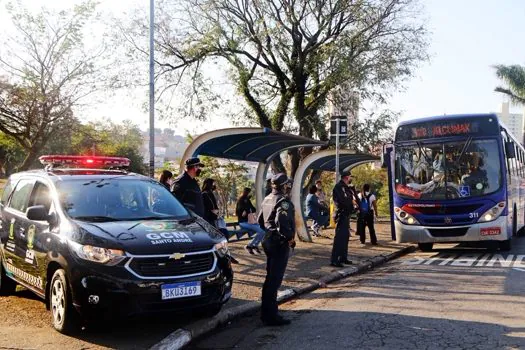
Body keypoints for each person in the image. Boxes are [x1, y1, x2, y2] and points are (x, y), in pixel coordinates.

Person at [258, 173, 296, 326]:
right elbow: (282, 223)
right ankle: (271, 316)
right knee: (275, 280)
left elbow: (261, 220)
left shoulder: (267, 198)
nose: (289, 186)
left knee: (270, 278)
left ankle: (266, 312)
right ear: (284, 185)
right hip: (278, 243)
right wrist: (289, 238)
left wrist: (270, 230)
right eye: (287, 184)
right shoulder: (283, 201)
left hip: (268, 240)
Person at [202, 178, 240, 264]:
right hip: (209, 220)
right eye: (213, 184)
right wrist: (214, 211)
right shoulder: (205, 194)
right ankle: (223, 255)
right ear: (209, 184)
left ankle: (225, 254)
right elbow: (210, 207)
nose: (214, 186)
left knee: (223, 235)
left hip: (214, 219)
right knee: (220, 237)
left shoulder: (210, 193)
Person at [330, 171, 357, 267]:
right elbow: (342, 201)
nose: (351, 179)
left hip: (346, 214)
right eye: (350, 177)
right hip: (341, 214)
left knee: (345, 237)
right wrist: (351, 204)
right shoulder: (339, 187)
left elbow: (349, 199)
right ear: (346, 177)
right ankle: (335, 259)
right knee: (339, 238)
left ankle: (343, 257)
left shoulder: (346, 188)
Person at [236, 188, 266, 255]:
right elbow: (238, 212)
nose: (250, 194)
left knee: (263, 230)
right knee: (261, 230)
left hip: (250, 222)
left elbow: (253, 209)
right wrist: (245, 211)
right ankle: (249, 246)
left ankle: (254, 245)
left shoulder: (247, 200)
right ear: (246, 192)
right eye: (249, 192)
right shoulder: (240, 200)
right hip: (243, 222)